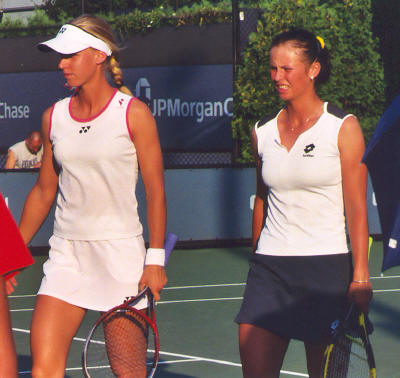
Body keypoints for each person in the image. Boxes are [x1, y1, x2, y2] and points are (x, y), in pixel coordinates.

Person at [19, 14, 167, 377]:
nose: (61, 63)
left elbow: (156, 191)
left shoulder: (133, 114)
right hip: (66, 255)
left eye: (70, 55)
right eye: (60, 56)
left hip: (121, 259)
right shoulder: (53, 117)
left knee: (128, 372)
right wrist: (12, 251)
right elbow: (43, 191)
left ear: (99, 55)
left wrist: (155, 260)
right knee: (43, 370)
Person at [235, 28, 372, 378]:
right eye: (273, 69)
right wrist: (257, 259)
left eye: (286, 69)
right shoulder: (261, 131)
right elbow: (262, 200)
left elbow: (356, 208)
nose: (277, 77)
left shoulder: (343, 127)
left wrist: (360, 276)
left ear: (312, 70)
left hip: (325, 272)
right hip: (269, 271)